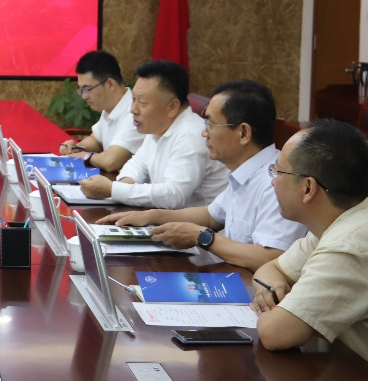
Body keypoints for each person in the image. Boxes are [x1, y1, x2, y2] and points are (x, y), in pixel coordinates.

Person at [97, 79, 306, 272]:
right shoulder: (245, 172)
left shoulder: (276, 182)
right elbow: (210, 215)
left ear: (243, 133)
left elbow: (272, 258)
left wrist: (202, 237)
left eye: (210, 125)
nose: (204, 133)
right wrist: (151, 216)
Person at [251, 120, 368, 370]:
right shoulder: (338, 222)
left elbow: (274, 333)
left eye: (278, 172)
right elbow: (269, 269)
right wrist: (275, 288)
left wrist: (274, 304)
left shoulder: (348, 246)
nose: (273, 181)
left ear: (308, 187)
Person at [79, 59, 228, 208]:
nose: (133, 109)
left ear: (172, 107)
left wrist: (113, 190)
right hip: (167, 217)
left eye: (142, 103)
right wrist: (120, 187)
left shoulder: (191, 136)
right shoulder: (157, 126)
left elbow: (173, 196)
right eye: (133, 99)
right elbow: (137, 165)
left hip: (199, 222)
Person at [59, 50, 144, 173]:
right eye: (81, 90)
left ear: (110, 84)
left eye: (88, 89)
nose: (84, 97)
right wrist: (76, 148)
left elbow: (111, 162)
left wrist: (83, 156)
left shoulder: (134, 113)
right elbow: (96, 140)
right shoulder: (109, 107)